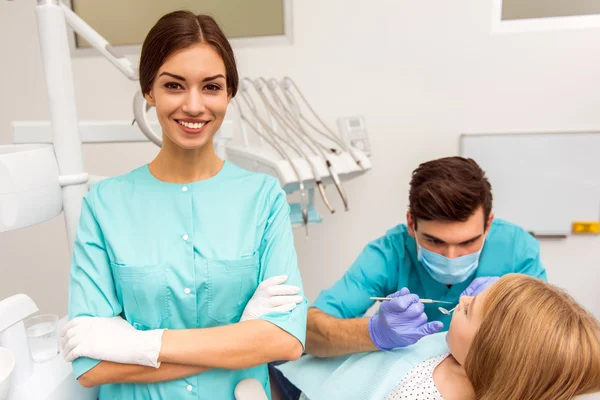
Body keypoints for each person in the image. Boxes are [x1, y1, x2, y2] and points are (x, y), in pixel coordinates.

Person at [59, 11, 307, 399]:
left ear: (229, 94)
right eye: (174, 85)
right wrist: (242, 338)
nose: (194, 106)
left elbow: (286, 342)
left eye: (211, 87)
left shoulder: (263, 199)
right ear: (149, 91)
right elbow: (91, 367)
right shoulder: (104, 205)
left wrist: (139, 346)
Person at [305, 157, 547, 358]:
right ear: (411, 223)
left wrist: (512, 310)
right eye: (434, 241)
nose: (451, 257)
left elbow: (549, 341)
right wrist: (374, 332)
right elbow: (308, 333)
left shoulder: (517, 249)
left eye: (467, 242)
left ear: (488, 225)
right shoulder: (390, 254)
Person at [276, 274, 600, 400]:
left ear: (489, 352)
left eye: (470, 310)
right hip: (308, 373)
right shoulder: (460, 355)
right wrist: (374, 332)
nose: (462, 298)